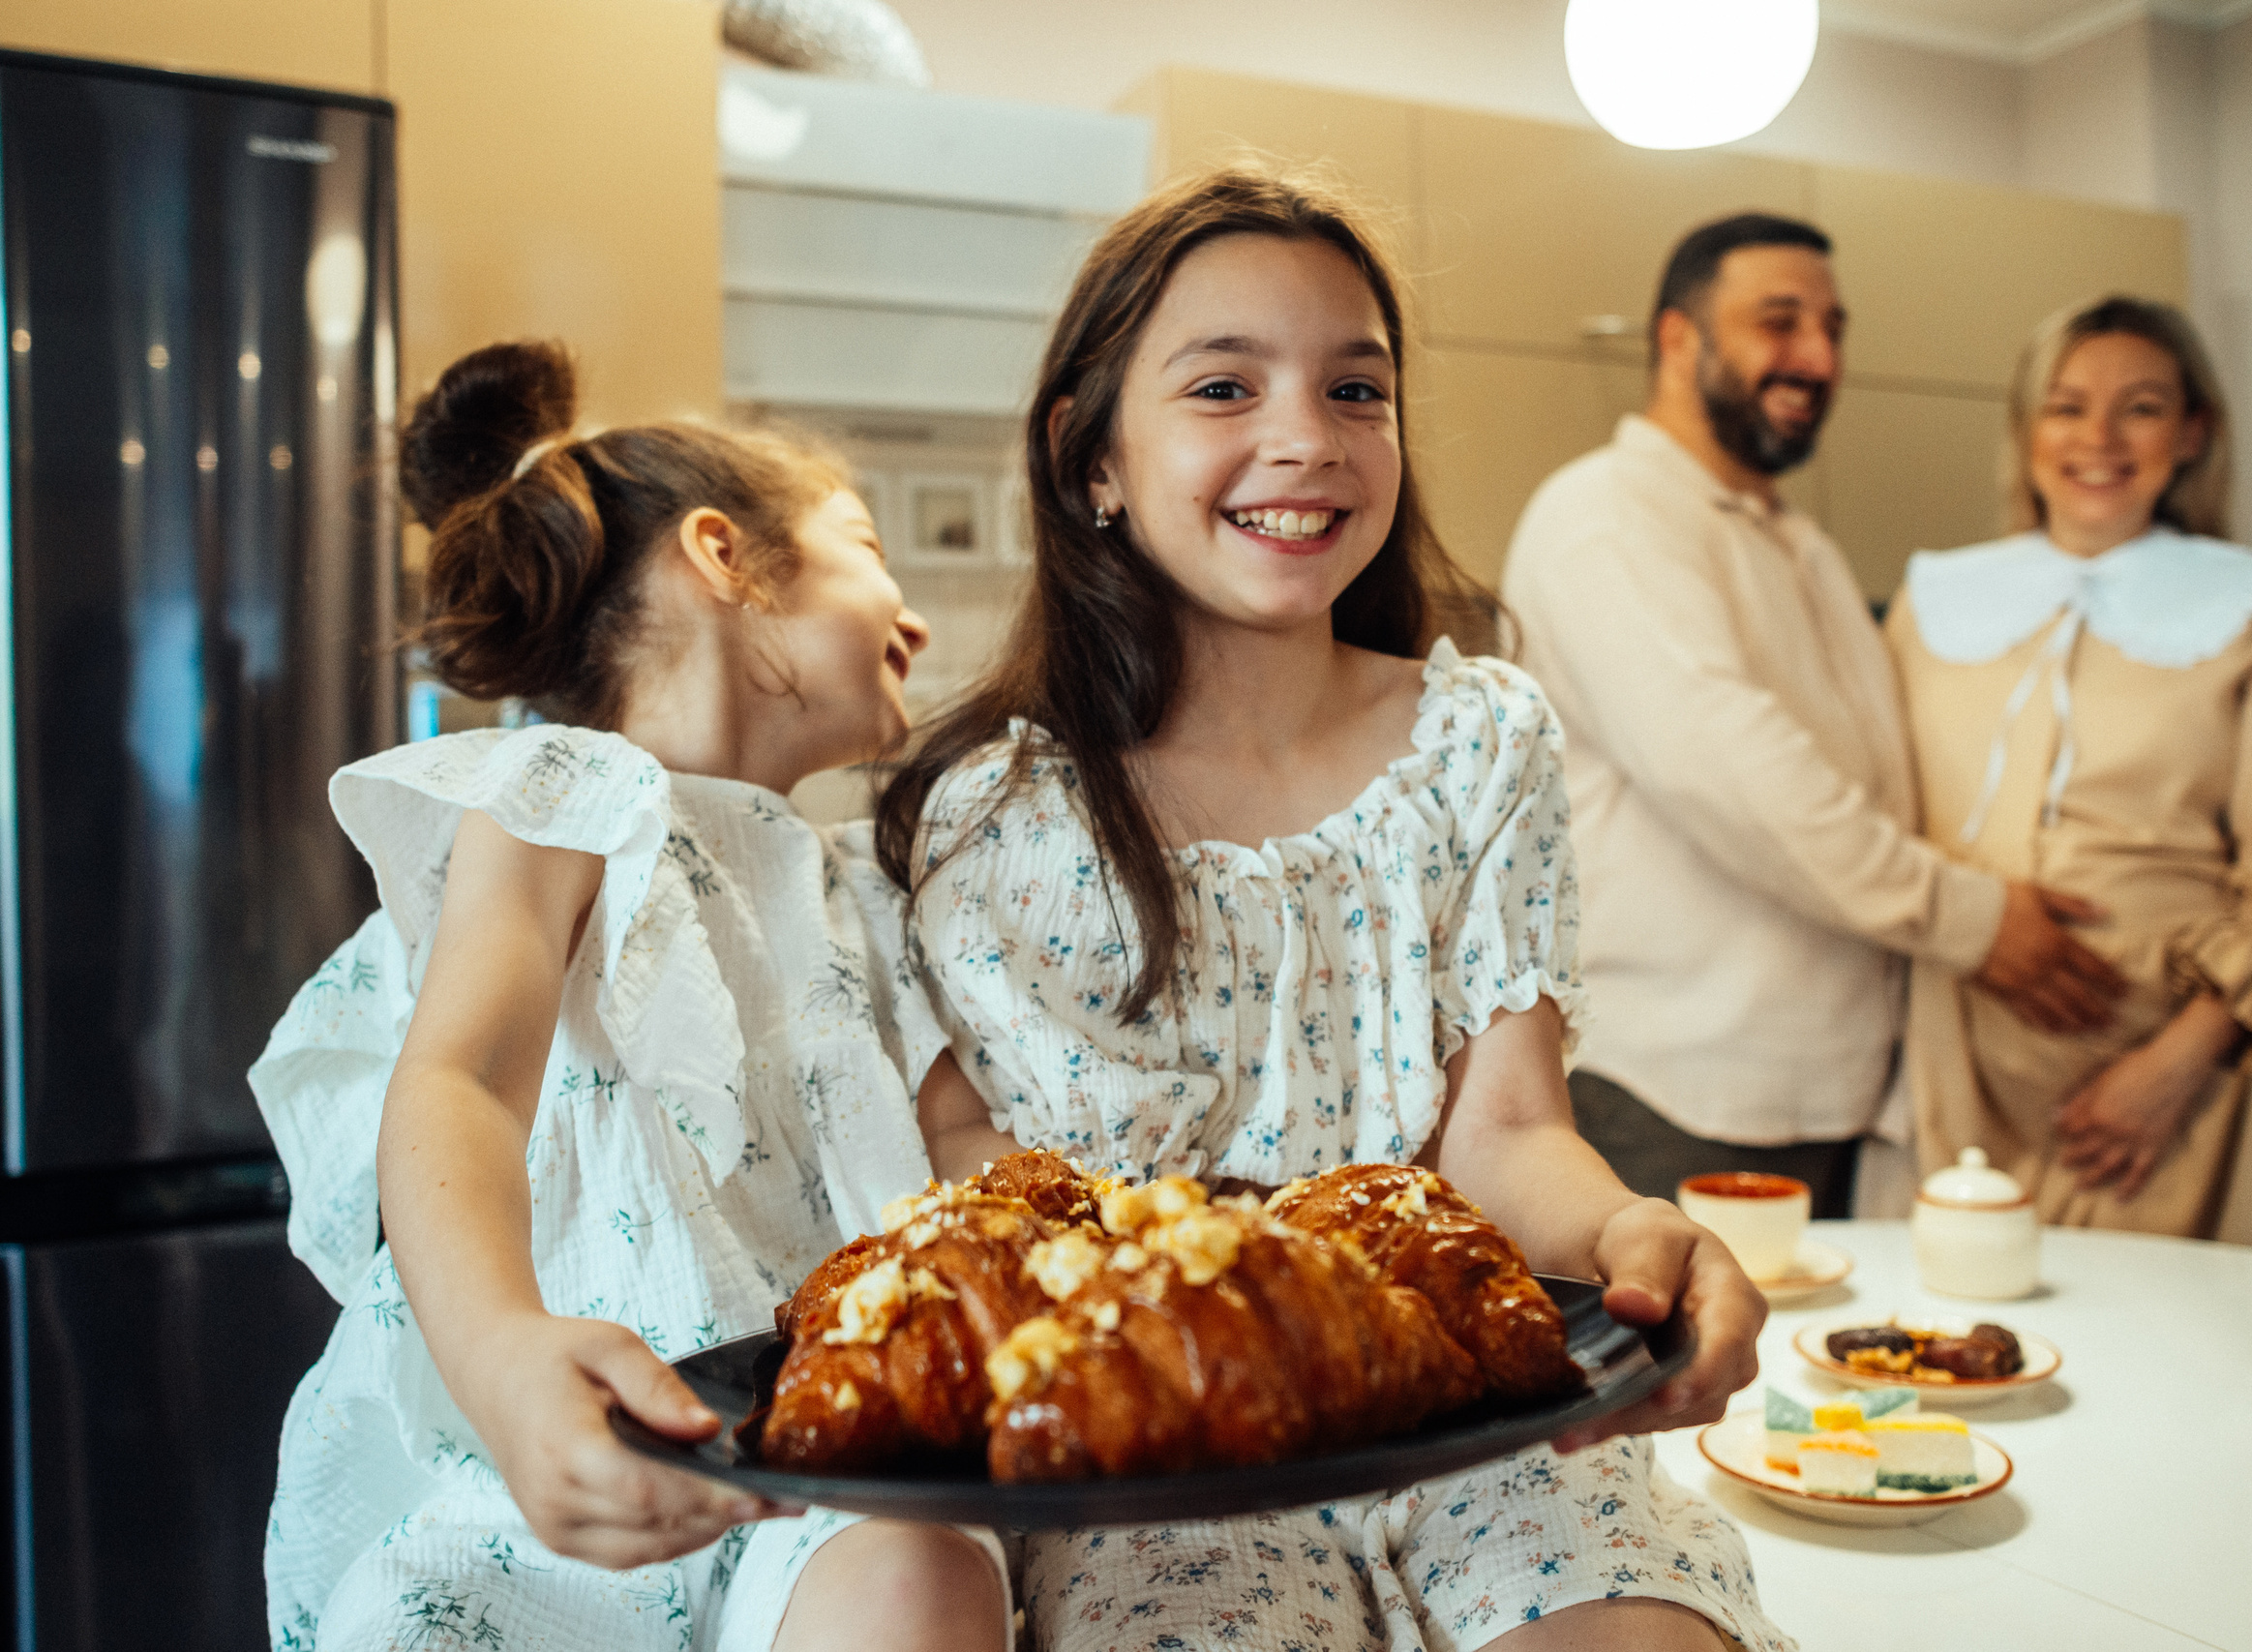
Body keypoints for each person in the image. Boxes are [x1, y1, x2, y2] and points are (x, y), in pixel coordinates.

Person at [876, 167, 1787, 1652]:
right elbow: (983, 1183)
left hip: (1471, 1405)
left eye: (1356, 387)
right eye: (1224, 384)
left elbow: (1502, 1134)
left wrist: (1635, 1227)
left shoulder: (1481, 738)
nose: (1305, 437)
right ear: (1089, 454)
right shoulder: (987, 811)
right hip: (1159, 1457)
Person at [252, 342, 1012, 1652]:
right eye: (868, 544)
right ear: (725, 555)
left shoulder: (873, 886)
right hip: (555, 1469)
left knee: (918, 1576)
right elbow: (461, 1082)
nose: (918, 615)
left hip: (831, 1471)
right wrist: (499, 1361)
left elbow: (966, 1155)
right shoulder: (559, 799)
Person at [1498, 213, 2126, 1223]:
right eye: (1778, 322)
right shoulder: (1603, 515)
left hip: (1840, 1089)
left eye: (1832, 328)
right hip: (1680, 1091)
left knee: (1831, 1385)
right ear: (1676, 339)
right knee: (1680, 1383)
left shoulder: (1805, 548)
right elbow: (1743, 778)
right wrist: (1970, 920)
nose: (1818, 358)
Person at [1886, 295, 2252, 1234]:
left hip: (2164, 1078)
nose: (2098, 435)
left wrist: (2179, 1061)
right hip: (1955, 1059)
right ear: (2024, 431)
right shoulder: (1931, 604)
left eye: (2139, 406)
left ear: (2192, 432)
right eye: (2065, 405)